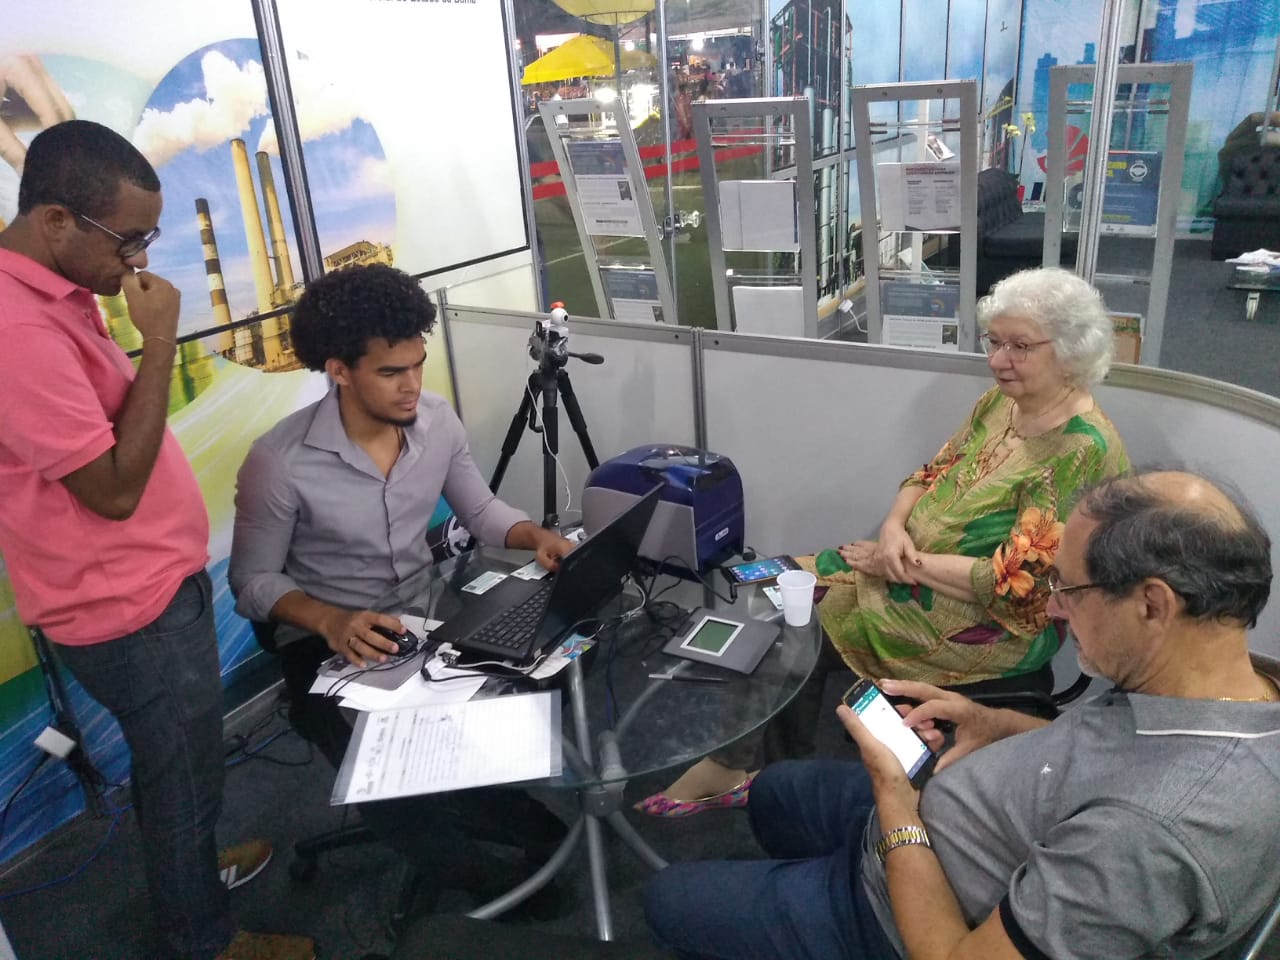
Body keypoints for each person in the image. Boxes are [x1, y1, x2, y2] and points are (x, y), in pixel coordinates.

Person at [645, 470, 1280, 959]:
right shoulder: (1215, 681)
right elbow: (1101, 755)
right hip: (959, 823)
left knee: (664, 901)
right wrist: (992, 722)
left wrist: (896, 803)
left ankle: (830, 901)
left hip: (910, 911)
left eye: (1068, 590)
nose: (1052, 609)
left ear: (1152, 605)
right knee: (776, 793)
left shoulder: (1150, 833)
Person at [638, 266, 1130, 816]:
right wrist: (894, 529)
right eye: (993, 342)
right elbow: (929, 474)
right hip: (904, 569)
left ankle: (762, 776)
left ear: (1071, 351)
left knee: (791, 624)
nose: (998, 360)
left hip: (978, 621)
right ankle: (767, 770)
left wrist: (898, 562)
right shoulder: (1003, 404)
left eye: (1019, 346)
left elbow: (1016, 590)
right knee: (771, 584)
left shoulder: (1079, 450)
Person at [0, 120, 312, 960]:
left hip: (145, 588)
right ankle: (201, 937)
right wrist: (162, 342)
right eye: (127, 239)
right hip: (126, 610)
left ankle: (192, 876)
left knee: (178, 767)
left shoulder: (56, 290)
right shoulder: (16, 331)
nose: (138, 259)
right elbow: (111, 491)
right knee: (182, 776)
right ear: (56, 221)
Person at [228, 263, 576, 913]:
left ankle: (506, 819)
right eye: (391, 373)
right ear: (339, 370)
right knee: (392, 780)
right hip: (329, 642)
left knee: (528, 680)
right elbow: (251, 582)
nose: (413, 385)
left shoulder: (436, 420)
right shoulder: (279, 462)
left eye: (418, 365)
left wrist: (533, 535)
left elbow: (480, 511)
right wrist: (329, 620)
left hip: (424, 612)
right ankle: (482, 880)